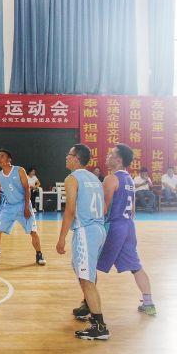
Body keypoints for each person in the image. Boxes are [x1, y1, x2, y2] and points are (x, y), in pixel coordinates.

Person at [56, 143, 109, 340]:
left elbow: (70, 210)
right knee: (84, 271)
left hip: (86, 231)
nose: (66, 157)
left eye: (69, 154)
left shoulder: (72, 178)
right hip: (99, 229)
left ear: (76, 158)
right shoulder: (95, 178)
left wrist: (61, 238)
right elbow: (104, 208)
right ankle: (88, 304)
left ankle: (99, 326)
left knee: (86, 278)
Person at [97, 144, 156, 316]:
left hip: (114, 227)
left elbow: (103, 209)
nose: (107, 156)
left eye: (111, 154)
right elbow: (133, 211)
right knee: (136, 266)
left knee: (90, 263)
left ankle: (88, 304)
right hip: (129, 226)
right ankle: (148, 303)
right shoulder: (130, 179)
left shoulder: (111, 179)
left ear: (118, 160)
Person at [0, 149, 46, 266]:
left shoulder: (19, 170)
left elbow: (27, 189)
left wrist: (26, 207)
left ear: (9, 159)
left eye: (2, 156)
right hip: (9, 207)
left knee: (33, 231)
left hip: (23, 204)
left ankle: (39, 255)